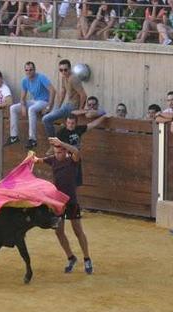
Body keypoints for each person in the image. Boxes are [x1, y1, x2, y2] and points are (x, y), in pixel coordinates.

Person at [33, 137, 93, 274]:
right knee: (58, 231)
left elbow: (77, 151)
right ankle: (71, 257)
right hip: (58, 202)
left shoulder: (72, 160)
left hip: (71, 201)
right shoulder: (53, 159)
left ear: (65, 151)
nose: (57, 155)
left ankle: (87, 258)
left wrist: (61, 142)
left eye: (60, 152)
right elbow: (37, 160)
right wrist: (31, 158)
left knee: (78, 230)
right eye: (56, 152)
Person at [5, 61, 56, 149]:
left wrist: (49, 107)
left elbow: (53, 91)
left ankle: (32, 139)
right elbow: (22, 97)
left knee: (31, 109)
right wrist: (23, 106)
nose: (28, 72)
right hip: (35, 101)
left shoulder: (41, 77)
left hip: (44, 101)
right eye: (27, 70)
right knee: (13, 108)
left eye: (31, 70)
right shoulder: (25, 80)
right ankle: (14, 136)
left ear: (34, 70)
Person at [57, 114, 108, 186]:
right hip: (66, 160)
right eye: (68, 123)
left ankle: (73, 197)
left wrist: (104, 116)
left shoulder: (78, 129)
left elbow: (92, 124)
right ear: (66, 123)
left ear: (76, 123)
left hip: (76, 160)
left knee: (76, 183)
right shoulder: (61, 133)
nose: (70, 125)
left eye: (72, 123)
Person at [42, 59, 87, 141]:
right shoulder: (64, 77)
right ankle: (57, 143)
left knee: (46, 119)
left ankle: (54, 143)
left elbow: (83, 95)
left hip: (72, 106)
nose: (63, 72)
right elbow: (63, 92)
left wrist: (80, 110)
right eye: (61, 70)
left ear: (70, 69)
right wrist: (58, 106)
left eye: (65, 70)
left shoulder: (73, 79)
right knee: (53, 118)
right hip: (67, 105)